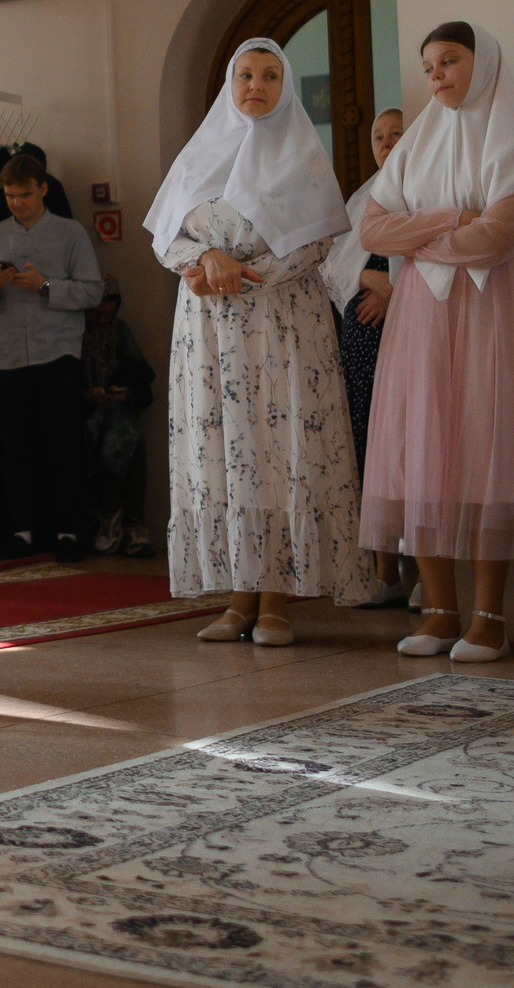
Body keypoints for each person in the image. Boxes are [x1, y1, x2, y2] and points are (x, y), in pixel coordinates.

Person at [359, 22, 514, 662]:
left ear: (482, 64)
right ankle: (438, 611)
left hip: (493, 309)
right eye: (429, 66)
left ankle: (489, 618)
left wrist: (419, 238)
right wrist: (453, 218)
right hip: (424, 315)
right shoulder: (417, 141)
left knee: (489, 451)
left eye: (449, 61)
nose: (436, 76)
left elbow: (498, 238)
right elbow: (373, 227)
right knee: (423, 453)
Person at [149, 38, 376, 645]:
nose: (256, 86)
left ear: (285, 86)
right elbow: (166, 236)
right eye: (246, 75)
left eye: (270, 76)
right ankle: (238, 598)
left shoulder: (302, 156)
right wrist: (205, 260)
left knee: (276, 450)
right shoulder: (197, 158)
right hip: (208, 332)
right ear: (230, 85)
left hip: (280, 326)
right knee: (224, 452)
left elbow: (315, 243)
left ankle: (275, 600)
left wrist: (237, 274)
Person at [0, 150, 105, 561]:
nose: (17, 203)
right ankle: (21, 532)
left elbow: (93, 291)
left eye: (24, 195)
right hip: (4, 356)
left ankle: (68, 533)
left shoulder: (70, 232)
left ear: (42, 189)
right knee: (14, 448)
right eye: (10, 196)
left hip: (56, 351)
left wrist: (46, 286)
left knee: (62, 445)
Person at [322, 105, 410, 603]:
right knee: (369, 445)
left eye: (397, 133)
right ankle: (384, 571)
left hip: (412, 333)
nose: (387, 143)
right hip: (362, 341)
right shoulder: (363, 198)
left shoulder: (427, 189)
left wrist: (395, 291)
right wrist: (371, 279)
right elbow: (331, 264)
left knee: (412, 447)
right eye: (379, 136)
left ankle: (425, 574)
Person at [80, 279, 156, 557]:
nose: (101, 321)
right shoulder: (74, 332)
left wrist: (125, 394)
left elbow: (143, 384)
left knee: (128, 438)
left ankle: (128, 522)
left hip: (118, 414)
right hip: (84, 415)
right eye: (95, 313)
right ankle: (104, 517)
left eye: (108, 315)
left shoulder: (120, 333)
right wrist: (86, 395)